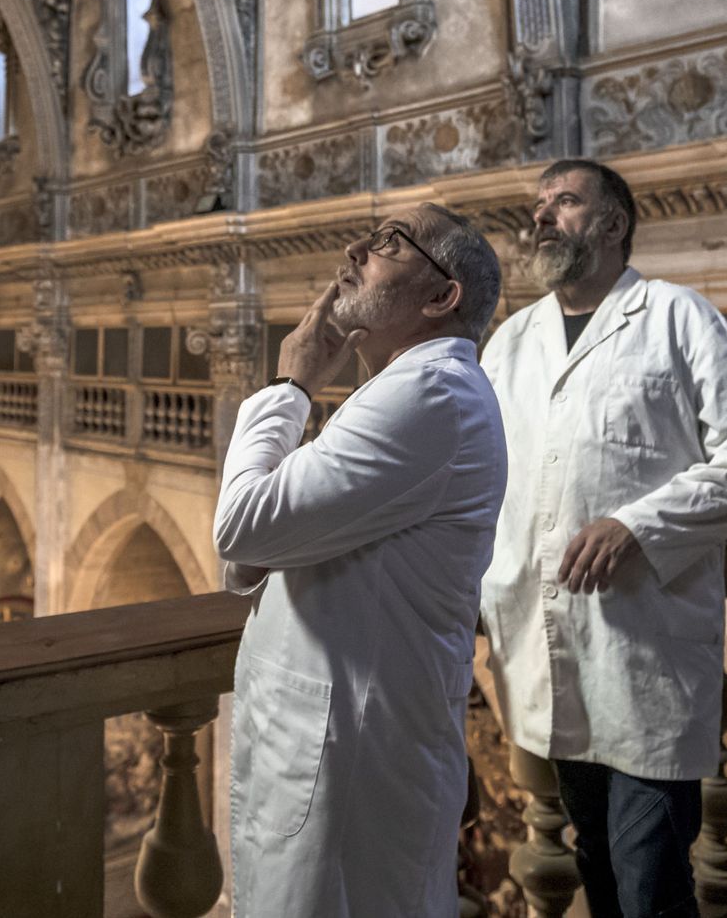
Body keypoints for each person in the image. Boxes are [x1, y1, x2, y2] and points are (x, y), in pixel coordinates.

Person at [480, 159, 727, 918]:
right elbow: (479, 477)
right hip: (545, 643)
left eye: (566, 202)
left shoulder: (680, 318)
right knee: (597, 863)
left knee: (649, 875)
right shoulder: (511, 342)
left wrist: (635, 524)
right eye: (540, 203)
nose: (543, 215)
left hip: (644, 646)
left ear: (612, 224)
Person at [214, 203, 507, 918]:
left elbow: (243, 526)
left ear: (441, 297)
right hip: (328, 748)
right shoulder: (398, 392)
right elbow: (257, 555)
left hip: (352, 764)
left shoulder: (430, 393)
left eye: (389, 243)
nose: (354, 249)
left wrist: (290, 385)